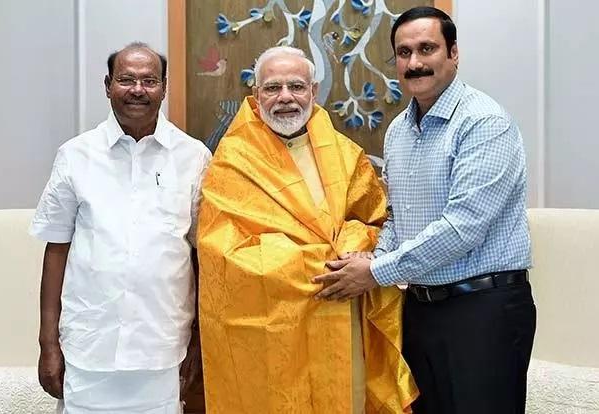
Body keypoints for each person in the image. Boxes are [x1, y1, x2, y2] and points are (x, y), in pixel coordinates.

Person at [314, 6, 536, 414]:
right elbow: (399, 217)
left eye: (427, 49)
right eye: (403, 52)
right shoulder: (399, 130)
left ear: (453, 53)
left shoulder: (484, 122)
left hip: (484, 312)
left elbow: (462, 228)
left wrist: (376, 272)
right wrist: (373, 256)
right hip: (420, 309)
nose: (414, 63)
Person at [196, 46, 417, 414]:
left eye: (296, 86)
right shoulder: (231, 162)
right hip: (270, 330)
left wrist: (356, 247)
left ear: (313, 92)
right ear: (255, 95)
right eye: (273, 88)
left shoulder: (347, 155)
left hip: (342, 321)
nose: (285, 98)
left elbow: (378, 222)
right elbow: (220, 250)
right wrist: (324, 262)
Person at [29, 42, 210, 413]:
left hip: (162, 349)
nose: (138, 90)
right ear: (108, 85)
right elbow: (57, 248)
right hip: (88, 346)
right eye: (127, 80)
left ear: (164, 87)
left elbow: (200, 254)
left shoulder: (193, 157)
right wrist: (48, 342)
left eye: (149, 80)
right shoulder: (76, 155)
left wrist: (198, 339)